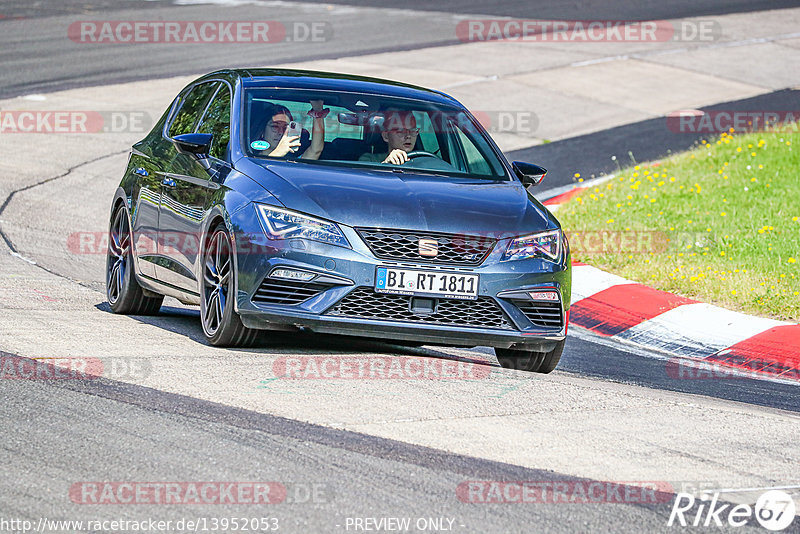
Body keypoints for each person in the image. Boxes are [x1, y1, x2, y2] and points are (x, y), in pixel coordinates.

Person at [258, 100, 327, 159]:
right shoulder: (249, 157)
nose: (281, 132)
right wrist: (278, 153)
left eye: (285, 128)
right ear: (262, 130)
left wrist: (318, 112)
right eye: (275, 126)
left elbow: (315, 150)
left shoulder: (291, 161)